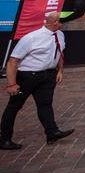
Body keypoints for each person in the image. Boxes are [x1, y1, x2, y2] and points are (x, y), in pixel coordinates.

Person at [2, 11, 74, 149]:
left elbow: (59, 52)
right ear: (54, 22)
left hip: (47, 76)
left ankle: (52, 132)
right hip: (28, 76)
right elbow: (12, 61)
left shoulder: (60, 34)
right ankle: (4, 139)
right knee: (14, 107)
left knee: (45, 104)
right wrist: (11, 84)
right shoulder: (31, 38)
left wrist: (60, 70)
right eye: (61, 21)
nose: (63, 23)